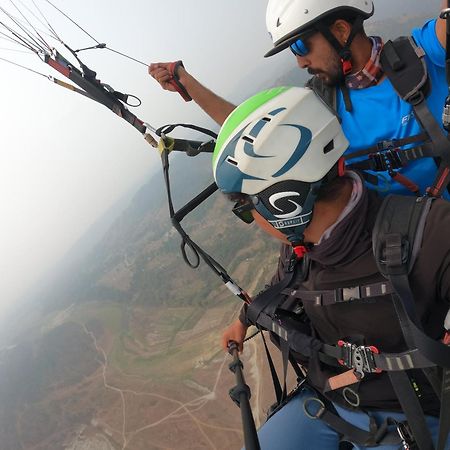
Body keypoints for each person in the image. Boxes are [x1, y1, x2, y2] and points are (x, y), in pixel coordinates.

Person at [212, 86, 450, 449]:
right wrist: (245, 318)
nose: (252, 220)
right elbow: (283, 285)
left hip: (418, 420)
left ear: (283, 202)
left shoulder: (430, 234)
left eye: (247, 209)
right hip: (329, 404)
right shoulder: (301, 250)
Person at [149, 0, 449, 197]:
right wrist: (186, 81)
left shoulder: (422, 53)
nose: (300, 63)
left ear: (341, 31)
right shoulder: (321, 103)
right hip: (403, 253)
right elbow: (250, 129)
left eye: (301, 46)